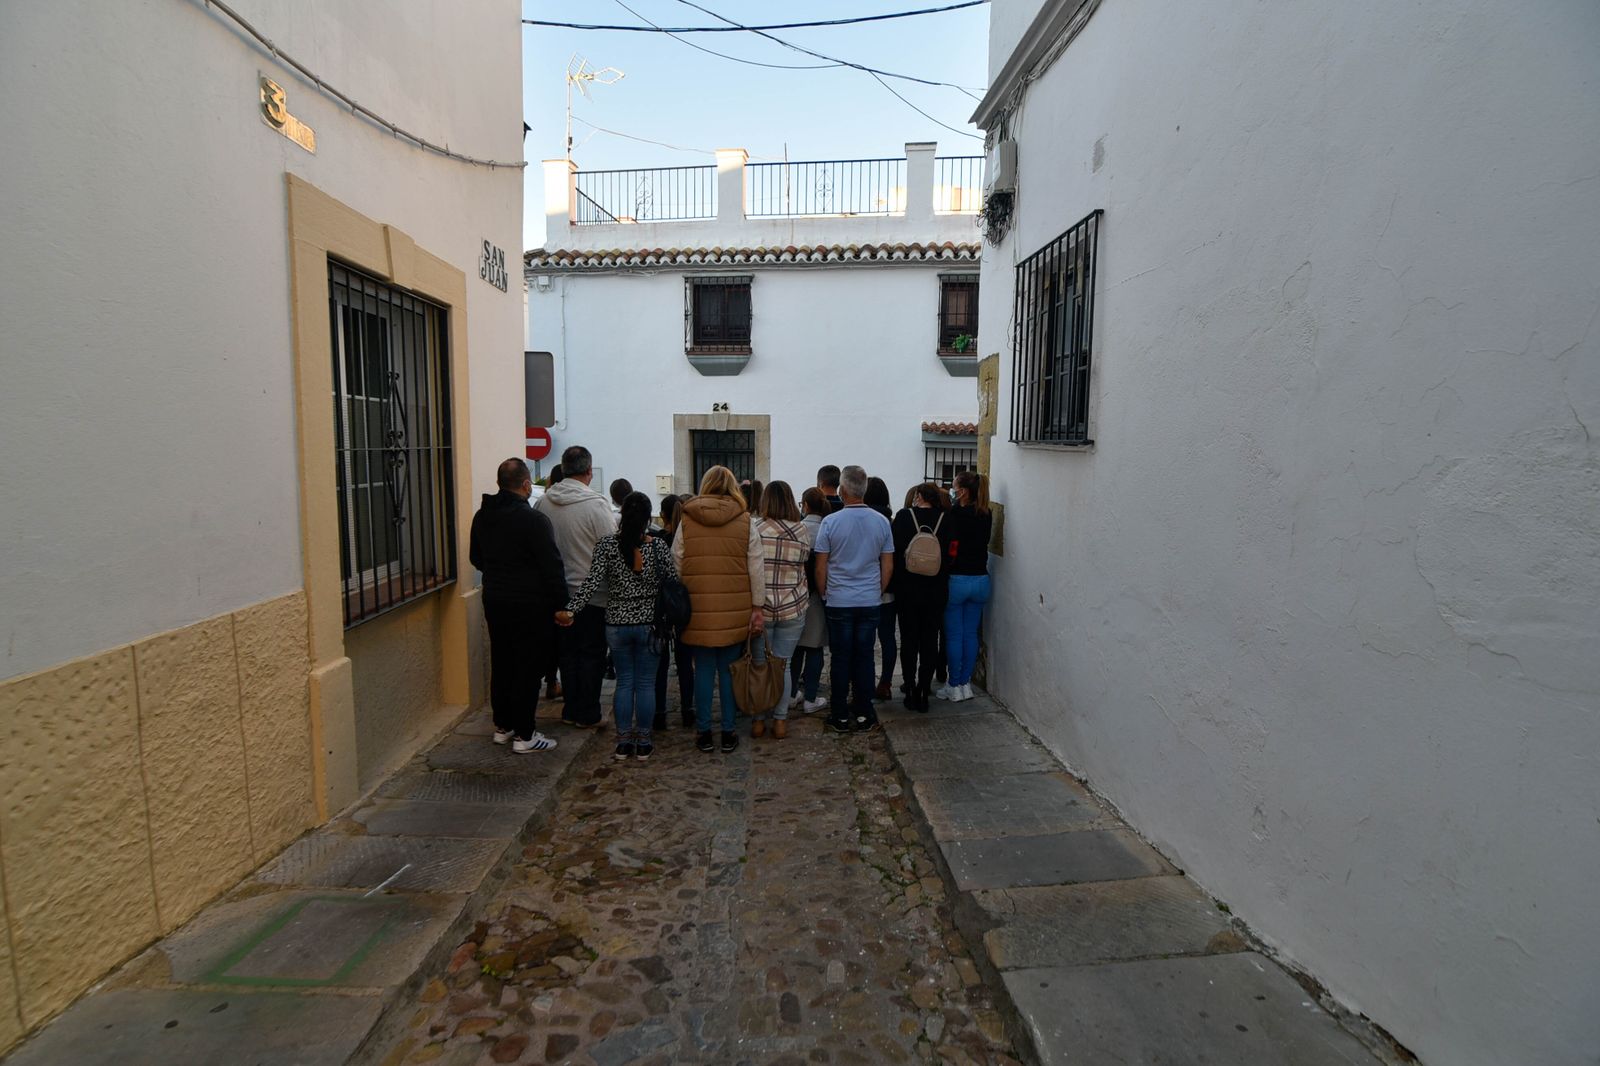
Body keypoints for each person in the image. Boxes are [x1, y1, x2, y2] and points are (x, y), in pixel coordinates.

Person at [557, 493, 675, 761]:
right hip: (649, 626)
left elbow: (592, 582)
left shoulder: (607, 546)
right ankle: (643, 742)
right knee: (645, 684)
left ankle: (623, 743)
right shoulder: (658, 548)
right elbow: (671, 581)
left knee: (624, 683)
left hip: (617, 624)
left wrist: (570, 610)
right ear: (648, 518)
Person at [468, 458, 565, 753]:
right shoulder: (533, 520)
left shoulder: (482, 517)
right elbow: (552, 566)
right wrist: (562, 605)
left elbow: (476, 558)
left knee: (502, 662)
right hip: (528, 604)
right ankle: (525, 734)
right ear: (526, 485)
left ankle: (503, 726)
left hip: (495, 599)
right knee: (527, 667)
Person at [673, 466, 766, 753]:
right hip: (734, 609)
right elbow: (755, 567)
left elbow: (677, 560)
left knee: (702, 670)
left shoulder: (687, 518)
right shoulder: (745, 520)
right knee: (729, 671)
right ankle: (727, 731)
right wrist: (757, 606)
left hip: (697, 608)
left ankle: (703, 732)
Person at [535, 445, 616, 728]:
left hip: (556, 594)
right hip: (591, 595)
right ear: (589, 471)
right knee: (592, 653)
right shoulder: (596, 505)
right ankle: (588, 711)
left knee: (566, 653)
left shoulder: (544, 503)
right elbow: (611, 548)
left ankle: (570, 709)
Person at [814, 465, 894, 733]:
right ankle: (864, 710)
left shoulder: (830, 522)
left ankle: (839, 713)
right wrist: (877, 590)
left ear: (843, 490)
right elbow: (888, 564)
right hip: (869, 599)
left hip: (839, 600)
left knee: (840, 657)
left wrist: (825, 592)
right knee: (865, 656)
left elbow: (821, 565)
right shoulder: (881, 522)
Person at [749, 481, 810, 739]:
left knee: (760, 665)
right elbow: (804, 559)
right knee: (783, 666)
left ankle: (758, 721)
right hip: (791, 606)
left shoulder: (754, 528)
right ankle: (781, 721)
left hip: (759, 608)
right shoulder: (801, 530)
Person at [892, 483, 951, 712]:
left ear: (917, 496)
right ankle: (924, 690)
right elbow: (951, 554)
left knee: (908, 640)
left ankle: (909, 686)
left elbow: (895, 551)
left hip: (907, 590)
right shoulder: (946, 519)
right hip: (936, 590)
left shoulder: (904, 517)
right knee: (930, 640)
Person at [939, 471, 993, 702]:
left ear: (962, 491)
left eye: (954, 486)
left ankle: (953, 685)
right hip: (981, 579)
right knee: (971, 634)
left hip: (957, 579)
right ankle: (965, 684)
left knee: (954, 635)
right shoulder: (986, 513)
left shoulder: (954, 514)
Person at [653, 494, 696, 730]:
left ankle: (659, 712)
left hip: (660, 609)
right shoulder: (688, 539)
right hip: (683, 607)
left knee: (660, 663)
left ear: (662, 515)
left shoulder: (656, 541)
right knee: (685, 662)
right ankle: (688, 710)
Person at [789, 488, 831, 714]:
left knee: (795, 648)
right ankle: (811, 697)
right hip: (819, 594)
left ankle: (792, 693)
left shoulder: (798, 529)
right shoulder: (828, 527)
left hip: (796, 594)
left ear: (804, 505)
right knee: (815, 648)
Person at [863, 476, 898, 701]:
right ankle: (885, 682)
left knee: (865, 640)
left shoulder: (864, 520)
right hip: (888, 590)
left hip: (864, 588)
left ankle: (863, 683)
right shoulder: (892, 522)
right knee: (887, 638)